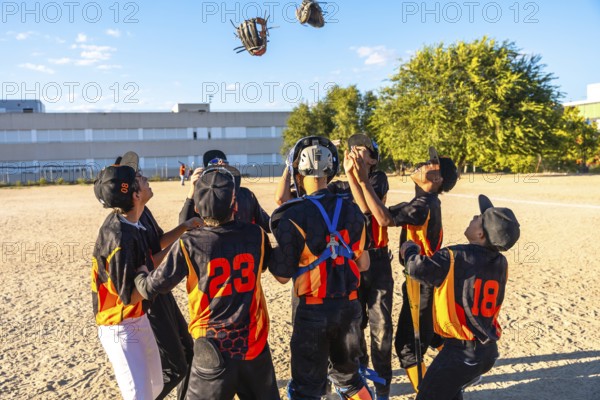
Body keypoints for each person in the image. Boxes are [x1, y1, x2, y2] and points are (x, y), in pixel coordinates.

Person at [134, 167, 280, 400]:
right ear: (234, 205)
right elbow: (264, 266)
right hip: (252, 344)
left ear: (199, 208)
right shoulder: (256, 235)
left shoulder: (190, 243)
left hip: (212, 348)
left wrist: (140, 276)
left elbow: (155, 286)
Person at [346, 146, 458, 393]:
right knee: (432, 336)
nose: (424, 162)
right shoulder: (420, 203)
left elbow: (384, 219)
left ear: (437, 179)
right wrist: (355, 178)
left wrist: (364, 179)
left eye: (431, 164)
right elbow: (373, 212)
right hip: (422, 284)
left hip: (423, 288)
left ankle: (432, 393)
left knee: (409, 348)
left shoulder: (423, 205)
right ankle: (456, 367)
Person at [269, 136, 373, 400]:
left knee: (306, 389)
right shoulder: (352, 209)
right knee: (350, 380)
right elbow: (364, 263)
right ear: (331, 168)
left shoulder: (292, 214)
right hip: (350, 310)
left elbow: (281, 276)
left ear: (297, 171)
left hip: (313, 311)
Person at [400, 195, 520, 399]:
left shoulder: (454, 256)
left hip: (461, 353)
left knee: (427, 395)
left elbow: (417, 269)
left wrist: (410, 250)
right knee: (450, 392)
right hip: (486, 350)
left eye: (479, 218)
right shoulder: (501, 263)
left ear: (481, 234)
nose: (474, 216)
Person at [116, 151, 202, 400]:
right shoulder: (126, 222)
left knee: (189, 355)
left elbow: (157, 243)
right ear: (131, 190)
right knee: (175, 367)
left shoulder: (144, 212)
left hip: (159, 289)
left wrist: (184, 228)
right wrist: (177, 249)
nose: (144, 177)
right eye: (138, 176)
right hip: (147, 298)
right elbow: (147, 261)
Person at [328, 134, 393, 399]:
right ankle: (361, 376)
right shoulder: (341, 184)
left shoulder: (377, 179)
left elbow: (366, 209)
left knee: (381, 325)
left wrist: (355, 176)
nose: (355, 152)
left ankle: (383, 385)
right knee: (356, 324)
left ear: (373, 158)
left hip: (376, 260)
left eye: (362, 149)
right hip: (353, 259)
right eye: (352, 148)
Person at [91, 164, 163, 399]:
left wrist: (183, 237)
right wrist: (150, 279)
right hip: (118, 324)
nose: (145, 178)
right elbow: (128, 297)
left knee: (156, 386)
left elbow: (150, 259)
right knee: (139, 395)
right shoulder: (119, 238)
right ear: (135, 195)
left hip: (137, 316)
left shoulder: (134, 221)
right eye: (140, 178)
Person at [179, 149, 271, 232]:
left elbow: (268, 224)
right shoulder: (202, 195)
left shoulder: (246, 195)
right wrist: (192, 190)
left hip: (241, 245)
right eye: (214, 170)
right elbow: (183, 226)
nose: (218, 174)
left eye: (223, 169)